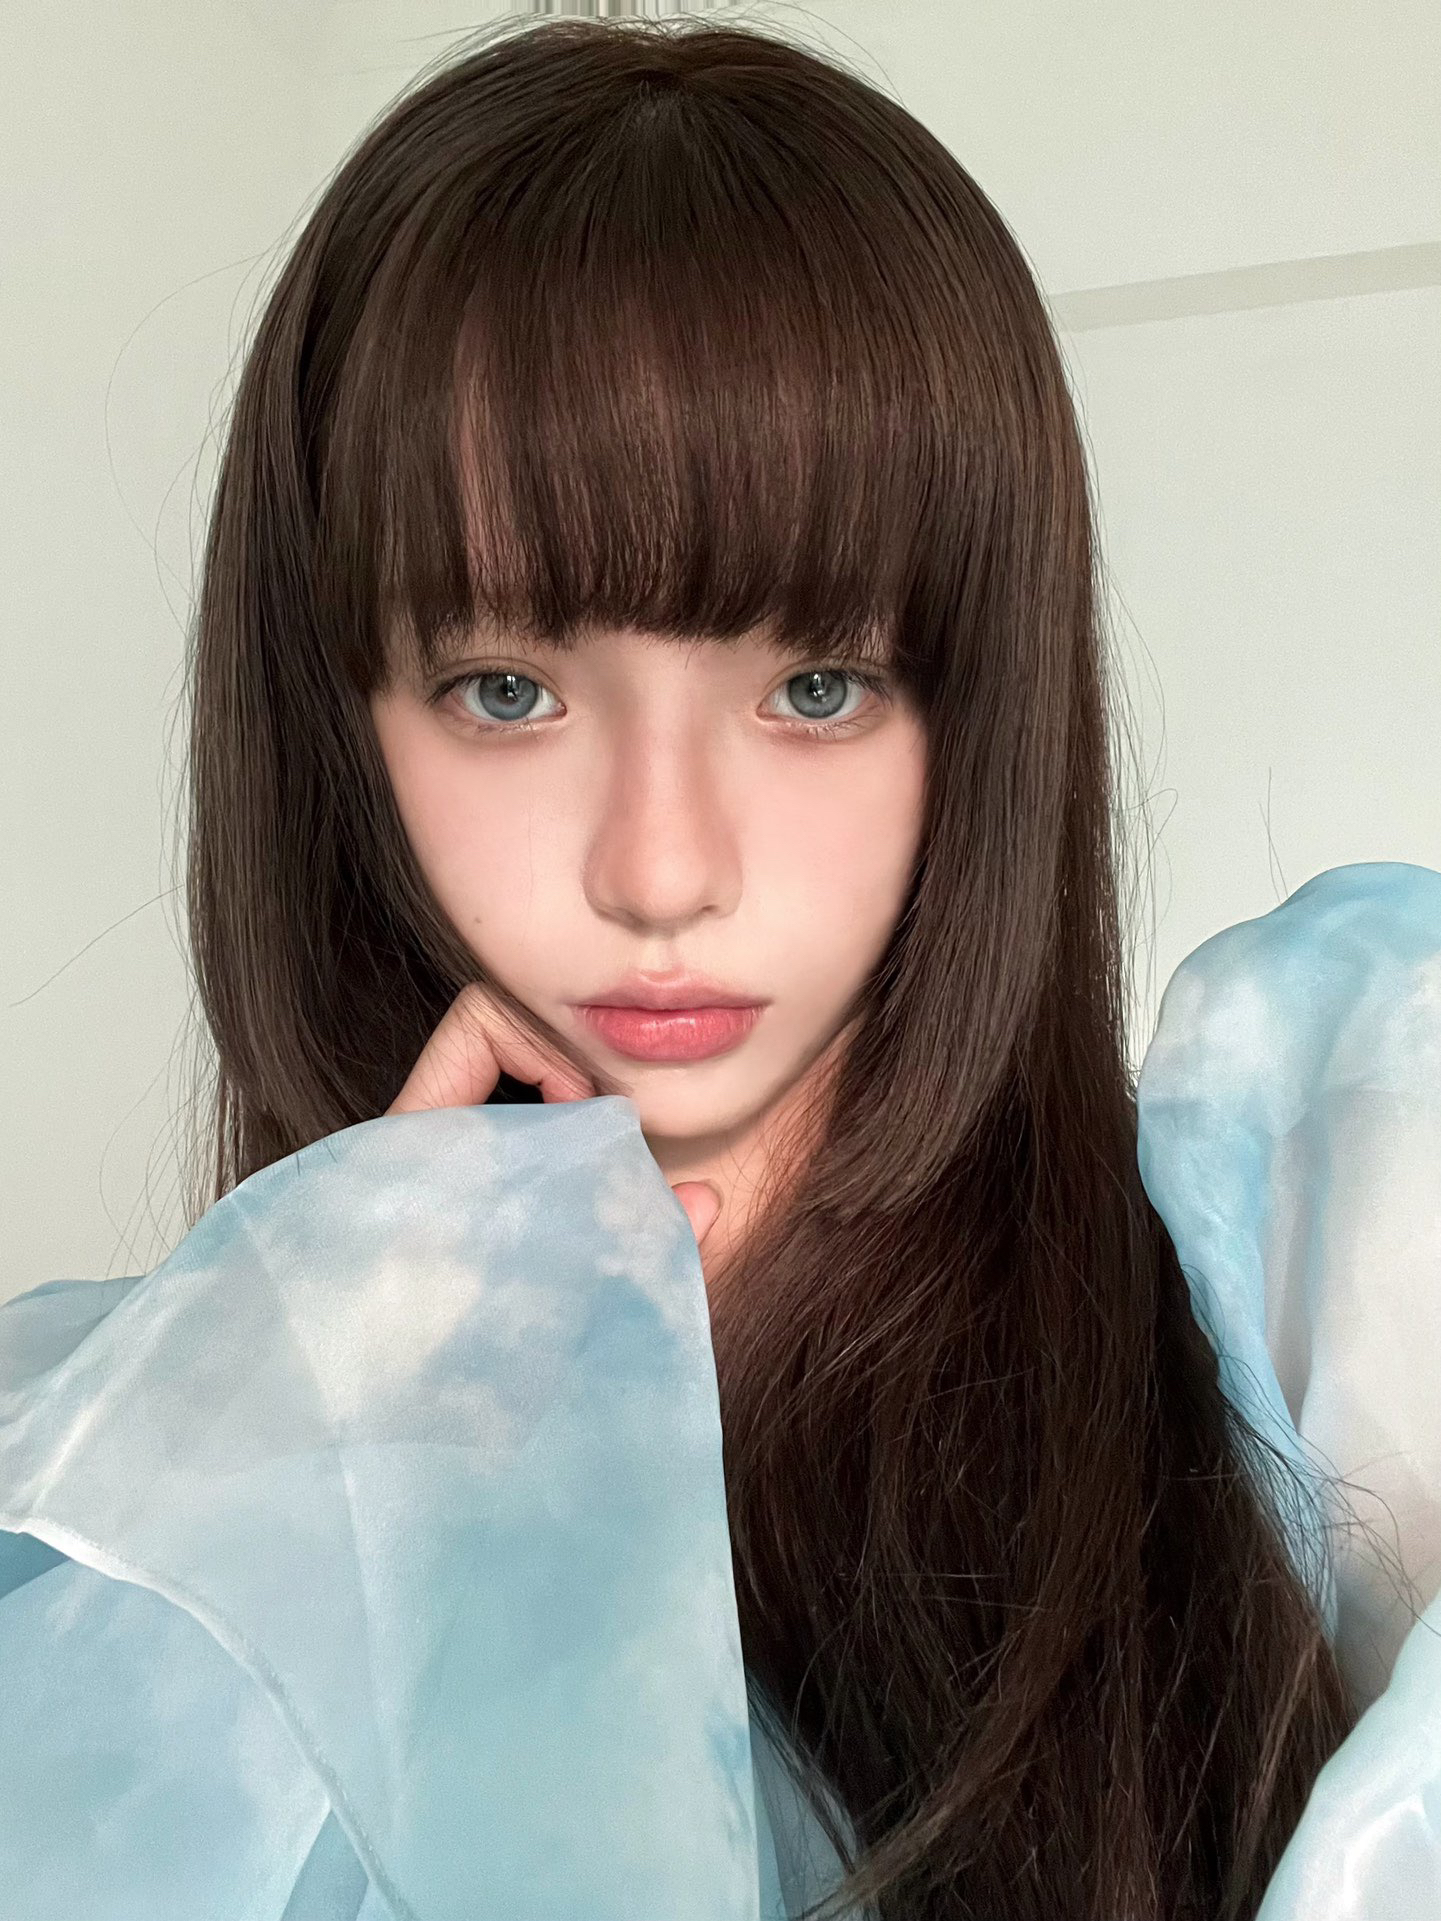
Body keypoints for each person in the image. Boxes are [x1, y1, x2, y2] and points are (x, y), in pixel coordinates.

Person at [1, 16, 1437, 1919]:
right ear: (335, 732)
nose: (661, 868)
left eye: (816, 686)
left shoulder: (1315, 1266)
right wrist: (335, 1463)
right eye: (503, 690)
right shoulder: (118, 1478)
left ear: (978, 713)